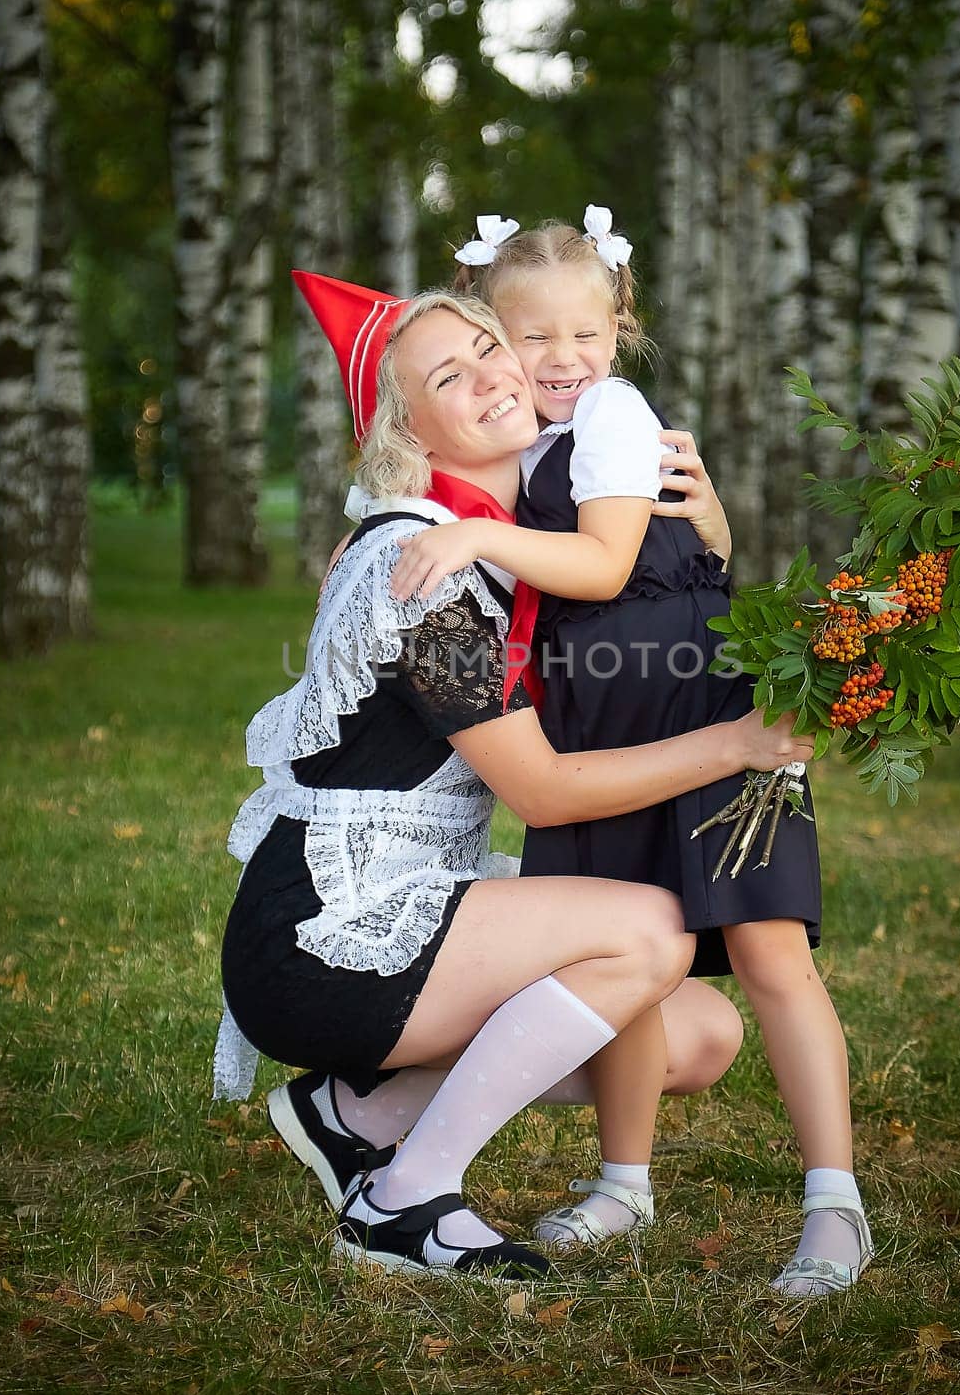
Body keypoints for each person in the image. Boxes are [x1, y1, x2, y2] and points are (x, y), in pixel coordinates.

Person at [215, 277, 815, 1282]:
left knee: (701, 1033)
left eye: (490, 346)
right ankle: (399, 1201)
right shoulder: (423, 566)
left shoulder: (505, 547)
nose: (496, 376)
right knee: (648, 933)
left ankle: (353, 1109)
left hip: (420, 897)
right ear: (406, 432)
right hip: (327, 930)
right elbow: (539, 790)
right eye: (449, 375)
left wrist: (705, 532)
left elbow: (631, 584)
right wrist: (736, 744)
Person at [390, 211, 872, 1297]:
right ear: (487, 334)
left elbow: (608, 568)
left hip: (698, 704)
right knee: (627, 962)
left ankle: (833, 1202)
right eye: (531, 337)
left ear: (620, 329)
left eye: (585, 333)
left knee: (767, 953)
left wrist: (474, 536)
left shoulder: (611, 410)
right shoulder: (526, 444)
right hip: (597, 723)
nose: (561, 360)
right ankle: (623, 1182)